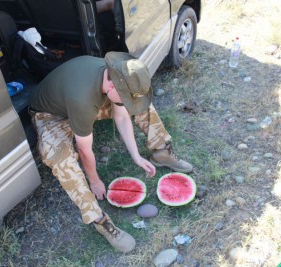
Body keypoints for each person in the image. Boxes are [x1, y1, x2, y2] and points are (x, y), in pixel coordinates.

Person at [29, 52, 193, 253]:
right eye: (124, 98)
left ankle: (161, 152)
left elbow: (122, 117)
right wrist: (95, 180)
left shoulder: (116, 75)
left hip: (82, 101)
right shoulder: (83, 99)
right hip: (52, 115)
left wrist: (136, 156)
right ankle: (98, 219)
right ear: (113, 86)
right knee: (60, 159)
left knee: (141, 106)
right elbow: (84, 149)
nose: (125, 101)